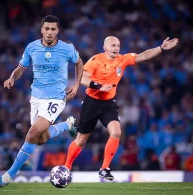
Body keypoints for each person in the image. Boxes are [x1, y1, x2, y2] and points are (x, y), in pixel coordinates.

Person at [64, 36, 178, 180]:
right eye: (112, 45)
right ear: (105, 48)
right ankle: (66, 167)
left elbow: (143, 56)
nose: (116, 48)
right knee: (80, 140)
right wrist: (99, 86)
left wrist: (161, 48)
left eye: (118, 45)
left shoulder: (122, 59)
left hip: (108, 103)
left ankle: (104, 168)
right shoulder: (96, 60)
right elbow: (82, 78)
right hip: (91, 102)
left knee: (116, 132)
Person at [0, 15, 83, 187]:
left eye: (53, 29)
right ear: (41, 30)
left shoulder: (66, 48)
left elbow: (79, 62)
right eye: (46, 28)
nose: (49, 32)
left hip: (56, 98)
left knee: (32, 133)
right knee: (40, 138)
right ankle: (67, 125)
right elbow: (20, 68)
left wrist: (77, 85)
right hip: (36, 98)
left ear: (57, 31)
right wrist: (12, 78)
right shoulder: (32, 47)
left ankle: (8, 176)